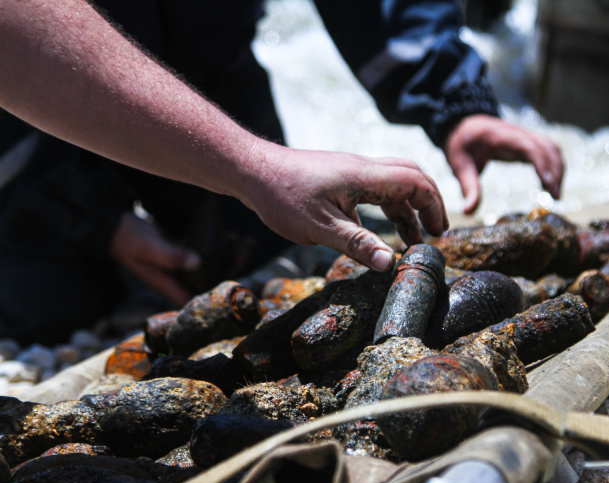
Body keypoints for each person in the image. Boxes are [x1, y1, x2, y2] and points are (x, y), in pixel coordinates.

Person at [0, 0, 564, 345]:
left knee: (256, 261)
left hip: (210, 79)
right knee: (52, 303)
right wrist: (87, 216)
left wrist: (454, 100)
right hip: (28, 132)